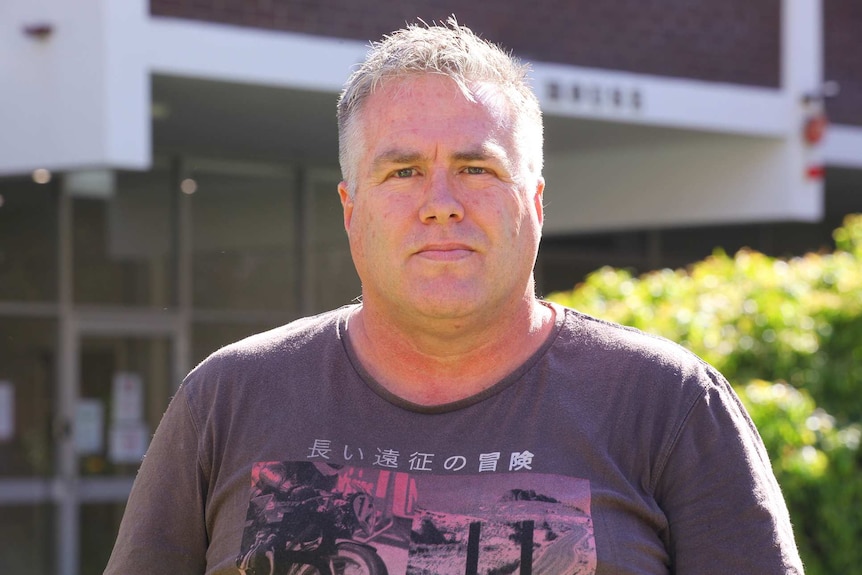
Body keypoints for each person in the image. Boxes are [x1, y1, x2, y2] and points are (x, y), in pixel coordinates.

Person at [105, 19, 804, 575]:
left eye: (476, 167)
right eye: (403, 171)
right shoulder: (227, 401)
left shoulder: (671, 406)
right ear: (352, 210)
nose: (440, 203)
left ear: (534, 201)